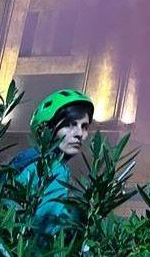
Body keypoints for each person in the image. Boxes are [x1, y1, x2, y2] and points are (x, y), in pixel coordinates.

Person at [12, 89, 94, 243]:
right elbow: (47, 233)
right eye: (70, 125)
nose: (79, 134)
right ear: (47, 129)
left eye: (84, 126)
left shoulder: (25, 161)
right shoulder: (54, 169)